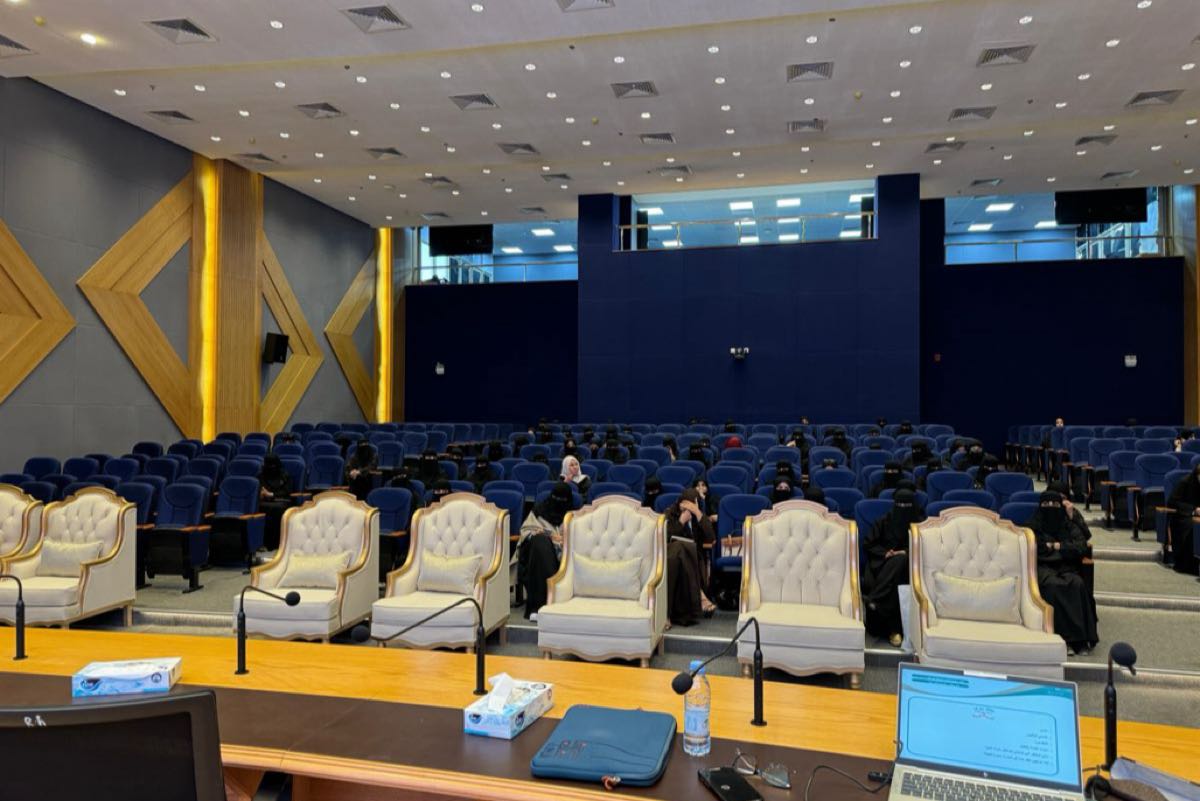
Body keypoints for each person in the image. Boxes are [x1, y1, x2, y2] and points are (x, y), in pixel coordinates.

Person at [1026, 491, 1099, 654]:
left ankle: (1078, 640)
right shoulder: (1033, 525)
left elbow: (1080, 546)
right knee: (1052, 586)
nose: (1050, 508)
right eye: (1046, 504)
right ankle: (1059, 638)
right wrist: (1062, 547)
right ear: (1040, 506)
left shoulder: (1069, 525)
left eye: (1055, 504)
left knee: (1077, 584)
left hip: (1067, 566)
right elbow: (1034, 547)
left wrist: (1055, 546)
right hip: (1043, 567)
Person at [862, 488, 924, 646]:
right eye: (900, 505)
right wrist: (885, 553)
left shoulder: (920, 526)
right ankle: (895, 630)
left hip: (911, 567)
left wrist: (906, 552)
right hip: (881, 564)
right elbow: (869, 544)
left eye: (907, 506)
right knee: (898, 569)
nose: (903, 510)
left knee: (902, 562)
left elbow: (925, 548)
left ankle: (876, 601)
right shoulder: (884, 521)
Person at [516, 482, 574, 618]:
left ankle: (552, 604)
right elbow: (526, 531)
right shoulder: (538, 512)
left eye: (562, 500)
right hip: (538, 554)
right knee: (540, 543)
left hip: (565, 553)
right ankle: (538, 607)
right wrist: (543, 535)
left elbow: (580, 537)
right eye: (556, 498)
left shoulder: (573, 515)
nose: (558, 502)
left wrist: (563, 539)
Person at [664, 488, 717, 625]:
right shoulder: (670, 514)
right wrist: (681, 522)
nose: (688, 508)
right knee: (679, 549)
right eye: (685, 504)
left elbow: (711, 538)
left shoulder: (698, 517)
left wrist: (698, 513)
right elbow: (665, 537)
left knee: (684, 551)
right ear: (680, 503)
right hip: (672, 558)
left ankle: (666, 614)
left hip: (694, 560)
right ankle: (700, 596)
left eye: (692, 505)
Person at [1166, 465, 1200, 574]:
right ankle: (1190, 564)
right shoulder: (1185, 482)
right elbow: (1172, 502)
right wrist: (1194, 510)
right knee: (1192, 527)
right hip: (1182, 517)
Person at [257, 454, 293, 551]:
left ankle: (275, 543)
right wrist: (261, 494)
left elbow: (287, 491)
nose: (270, 468)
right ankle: (260, 543)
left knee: (277, 509)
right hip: (265, 501)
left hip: (281, 500)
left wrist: (271, 494)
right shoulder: (261, 476)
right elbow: (259, 489)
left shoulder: (284, 476)